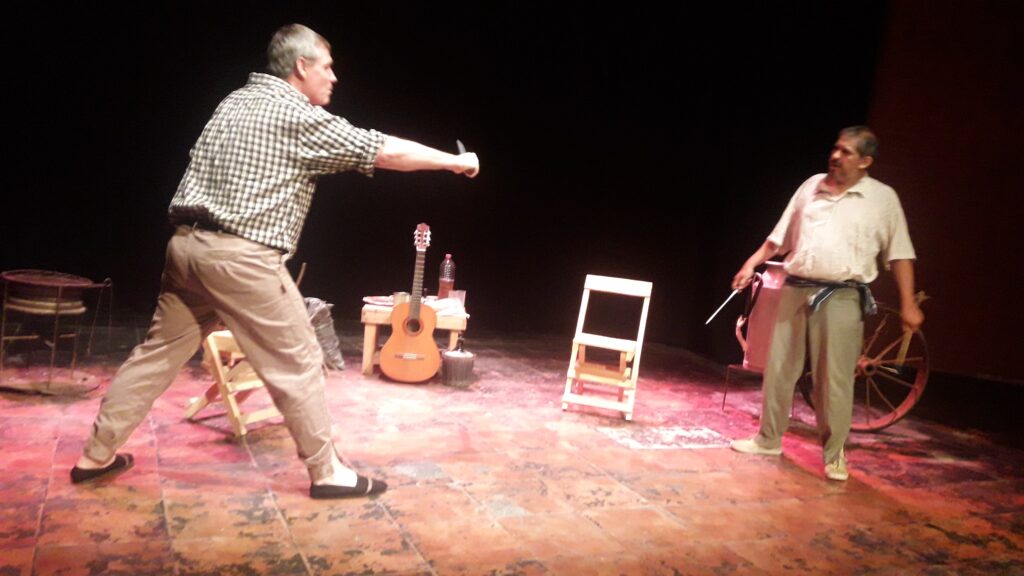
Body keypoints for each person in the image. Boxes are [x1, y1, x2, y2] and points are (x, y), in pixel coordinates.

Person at [71, 24, 480, 498]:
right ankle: (327, 472)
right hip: (240, 259)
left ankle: (95, 455)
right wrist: (455, 162)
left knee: (156, 355)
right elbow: (382, 150)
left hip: (186, 249)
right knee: (301, 358)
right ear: (301, 66)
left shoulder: (233, 101)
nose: (334, 77)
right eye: (327, 67)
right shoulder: (295, 115)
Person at [729, 126, 923, 481]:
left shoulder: (882, 199)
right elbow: (779, 238)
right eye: (836, 148)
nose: (836, 156)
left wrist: (908, 303)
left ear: (865, 161)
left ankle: (834, 456)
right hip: (795, 288)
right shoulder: (811, 186)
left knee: (833, 378)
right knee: (779, 368)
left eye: (846, 152)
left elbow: (900, 254)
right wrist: (750, 264)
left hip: (842, 296)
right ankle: (768, 439)